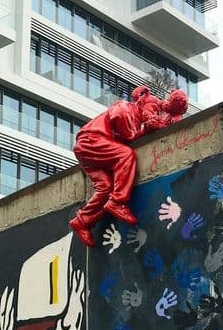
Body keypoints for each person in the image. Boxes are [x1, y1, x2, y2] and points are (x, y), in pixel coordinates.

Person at [70, 87, 188, 247]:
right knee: (126, 155)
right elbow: (130, 135)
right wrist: (146, 128)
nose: (151, 114)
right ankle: (118, 201)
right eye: (151, 110)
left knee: (105, 188)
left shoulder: (138, 112)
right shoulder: (125, 108)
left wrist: (156, 122)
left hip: (87, 147)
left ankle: (81, 221)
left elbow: (135, 131)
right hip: (92, 140)